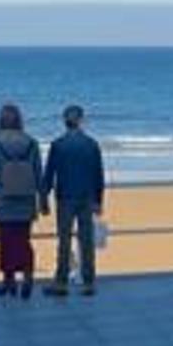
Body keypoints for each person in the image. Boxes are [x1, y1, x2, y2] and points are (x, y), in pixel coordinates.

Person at [41, 105, 106, 296]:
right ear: (81, 120)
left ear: (64, 121)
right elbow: (98, 175)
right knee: (86, 241)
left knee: (64, 240)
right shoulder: (91, 144)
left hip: (65, 198)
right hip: (86, 198)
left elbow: (49, 175)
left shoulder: (58, 145)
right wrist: (99, 200)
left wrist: (43, 198)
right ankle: (88, 282)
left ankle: (61, 282)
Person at [0, 104, 44, 299]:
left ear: (1, 120)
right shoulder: (31, 142)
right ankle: (27, 278)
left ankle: (9, 282)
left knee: (6, 241)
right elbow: (38, 172)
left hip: (3, 198)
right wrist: (41, 197)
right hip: (26, 198)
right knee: (24, 240)